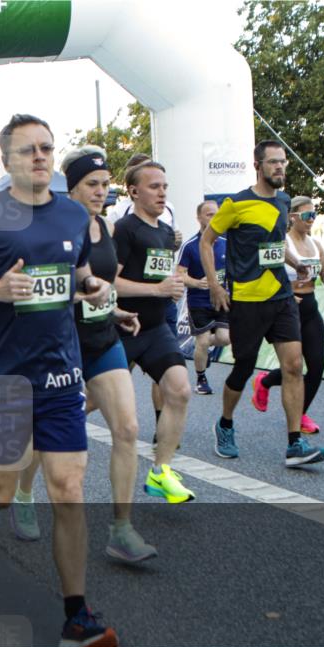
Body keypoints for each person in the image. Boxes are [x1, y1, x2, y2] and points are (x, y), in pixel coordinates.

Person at [0, 114, 118, 647]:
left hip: (59, 371)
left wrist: (91, 283)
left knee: (69, 487)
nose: (39, 156)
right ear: (6, 159)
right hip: (1, 377)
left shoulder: (72, 213)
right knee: (2, 489)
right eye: (28, 150)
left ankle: (77, 617)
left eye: (46, 148)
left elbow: (77, 269)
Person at [203, 140, 324, 467]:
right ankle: (225, 424)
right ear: (258, 166)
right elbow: (207, 241)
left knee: (293, 366)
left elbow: (275, 243)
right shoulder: (236, 204)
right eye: (273, 162)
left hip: (282, 297)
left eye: (283, 162)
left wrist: (296, 263)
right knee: (244, 367)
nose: (280, 167)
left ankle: (294, 443)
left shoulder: (284, 201)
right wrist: (215, 285)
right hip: (247, 300)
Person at [61, 145, 155, 562]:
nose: (101, 191)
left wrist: (115, 312)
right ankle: (22, 491)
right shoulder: (55, 229)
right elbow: (43, 290)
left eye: (104, 184)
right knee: (50, 431)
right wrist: (83, 297)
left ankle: (121, 529)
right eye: (91, 184)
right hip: (62, 343)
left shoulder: (106, 227)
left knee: (128, 428)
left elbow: (102, 283)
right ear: (72, 188)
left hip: (102, 338)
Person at [112, 160, 195, 503]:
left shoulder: (165, 232)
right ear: (134, 192)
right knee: (86, 403)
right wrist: (157, 290)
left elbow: (156, 274)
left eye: (164, 187)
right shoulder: (124, 229)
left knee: (180, 390)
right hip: (121, 328)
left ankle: (160, 472)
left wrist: (171, 286)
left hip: (156, 328)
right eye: (154, 187)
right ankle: (40, 439)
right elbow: (109, 282)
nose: (162, 193)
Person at [251, 196, 324, 435]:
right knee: (294, 367)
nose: (312, 220)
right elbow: (266, 273)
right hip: (288, 308)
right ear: (292, 217)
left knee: (317, 366)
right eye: (307, 215)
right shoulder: (283, 243)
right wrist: (287, 295)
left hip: (310, 307)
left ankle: (286, 400)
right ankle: (286, 405)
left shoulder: (316, 244)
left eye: (314, 215)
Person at [178, 200, 231, 395]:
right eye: (209, 214)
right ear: (199, 217)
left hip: (222, 299)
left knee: (225, 338)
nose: (214, 218)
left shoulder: (226, 244)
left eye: (216, 214)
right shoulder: (190, 245)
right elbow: (180, 275)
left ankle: (202, 352)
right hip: (198, 301)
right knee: (202, 340)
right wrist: (196, 282)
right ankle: (201, 379)